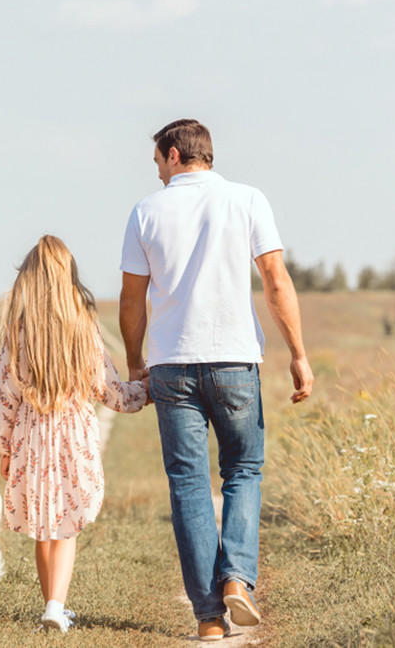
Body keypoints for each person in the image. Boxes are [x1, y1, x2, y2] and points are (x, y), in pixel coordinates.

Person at [118, 119, 314, 642]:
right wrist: (298, 353)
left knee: (187, 485)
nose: (156, 171)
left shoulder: (145, 211)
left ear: (176, 154)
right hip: (233, 359)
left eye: (159, 160)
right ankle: (237, 581)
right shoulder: (248, 200)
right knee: (244, 471)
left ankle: (208, 618)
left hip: (170, 364)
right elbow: (275, 280)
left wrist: (135, 361)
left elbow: (133, 298)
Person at [0, 235, 148, 633]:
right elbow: (110, 391)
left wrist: (3, 447)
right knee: (67, 524)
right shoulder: (83, 326)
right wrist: (148, 388)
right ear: (68, 277)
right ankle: (55, 608)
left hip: (30, 435)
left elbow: (3, 395)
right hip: (73, 436)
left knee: (43, 524)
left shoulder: (17, 331)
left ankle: (52, 606)